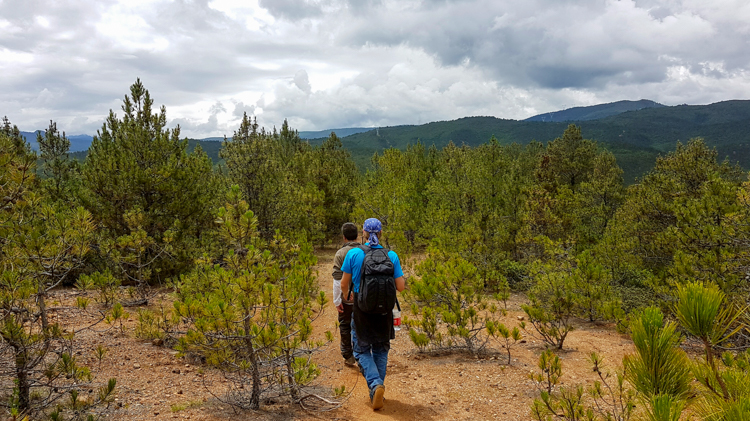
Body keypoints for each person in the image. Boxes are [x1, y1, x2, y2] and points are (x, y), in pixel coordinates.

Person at [341, 218, 405, 411]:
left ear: (363, 233)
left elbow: (344, 283)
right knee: (381, 349)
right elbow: (400, 287)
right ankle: (377, 388)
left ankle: (375, 384)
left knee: (360, 350)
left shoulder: (353, 253)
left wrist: (347, 296)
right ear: (381, 233)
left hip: (362, 308)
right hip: (384, 311)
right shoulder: (391, 255)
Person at [331, 222, 361, 367]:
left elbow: (338, 279)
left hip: (347, 297)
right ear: (358, 236)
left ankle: (348, 355)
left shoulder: (340, 254)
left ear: (344, 237)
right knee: (361, 325)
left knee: (345, 325)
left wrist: (337, 300)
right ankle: (362, 353)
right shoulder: (365, 250)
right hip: (364, 298)